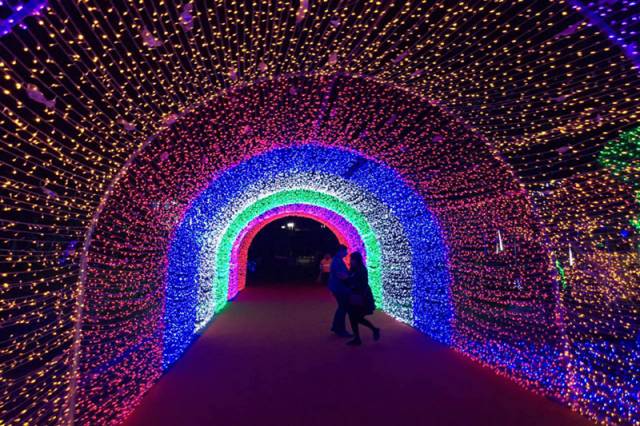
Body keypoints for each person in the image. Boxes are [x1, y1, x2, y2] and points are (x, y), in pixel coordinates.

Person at [345, 252, 380, 346]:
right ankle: (358, 337)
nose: (351, 261)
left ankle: (372, 330)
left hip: (361, 295)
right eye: (351, 259)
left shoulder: (361, 270)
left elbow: (363, 284)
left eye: (353, 259)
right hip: (354, 295)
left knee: (356, 316)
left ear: (357, 260)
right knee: (353, 316)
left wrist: (354, 287)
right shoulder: (353, 269)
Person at [328, 245, 352, 337]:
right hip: (339, 288)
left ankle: (336, 327)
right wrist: (351, 279)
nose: (346, 253)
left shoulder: (337, 260)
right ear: (340, 251)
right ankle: (341, 330)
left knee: (341, 307)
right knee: (343, 308)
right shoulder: (337, 261)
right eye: (345, 251)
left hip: (337, 287)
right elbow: (342, 275)